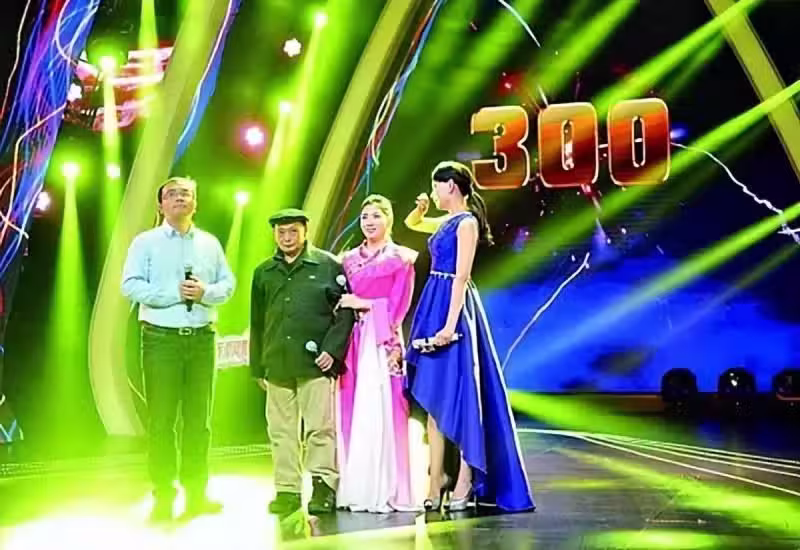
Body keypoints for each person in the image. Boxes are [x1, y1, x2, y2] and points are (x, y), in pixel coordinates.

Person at [404, 161, 535, 513]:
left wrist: (449, 326)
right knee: (433, 398)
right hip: (434, 300)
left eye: (436, 186)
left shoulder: (466, 223)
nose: (434, 192)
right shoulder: (446, 221)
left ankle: (465, 478)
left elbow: (461, 276)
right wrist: (420, 210)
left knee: (462, 398)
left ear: (450, 186)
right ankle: (435, 480)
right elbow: (412, 224)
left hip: (454, 307)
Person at [121, 176, 235, 522]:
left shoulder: (210, 243)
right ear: (161, 205)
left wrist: (205, 293)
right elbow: (130, 285)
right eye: (172, 194)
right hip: (161, 340)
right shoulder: (145, 242)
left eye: (186, 194)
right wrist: (173, 294)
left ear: (195, 203)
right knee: (162, 421)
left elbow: (228, 284)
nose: (180, 198)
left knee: (199, 421)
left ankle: (196, 492)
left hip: (202, 338)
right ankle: (163, 495)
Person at [250, 208, 356, 515]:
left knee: (319, 428)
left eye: (293, 231)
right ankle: (287, 489)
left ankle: (323, 487)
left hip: (314, 365)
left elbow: (346, 311)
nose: (287, 238)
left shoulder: (327, 265)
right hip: (277, 363)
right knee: (281, 431)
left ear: (305, 232)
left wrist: (332, 351)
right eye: (281, 232)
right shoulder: (264, 272)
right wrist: (257, 366)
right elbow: (257, 321)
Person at [336, 194, 418, 513]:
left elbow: (398, 307)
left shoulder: (401, 258)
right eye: (365, 216)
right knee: (352, 409)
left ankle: (388, 487)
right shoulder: (346, 260)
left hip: (383, 338)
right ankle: (355, 487)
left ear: (389, 219)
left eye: (376, 216)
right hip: (352, 340)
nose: (370, 222)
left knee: (385, 409)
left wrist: (364, 304)